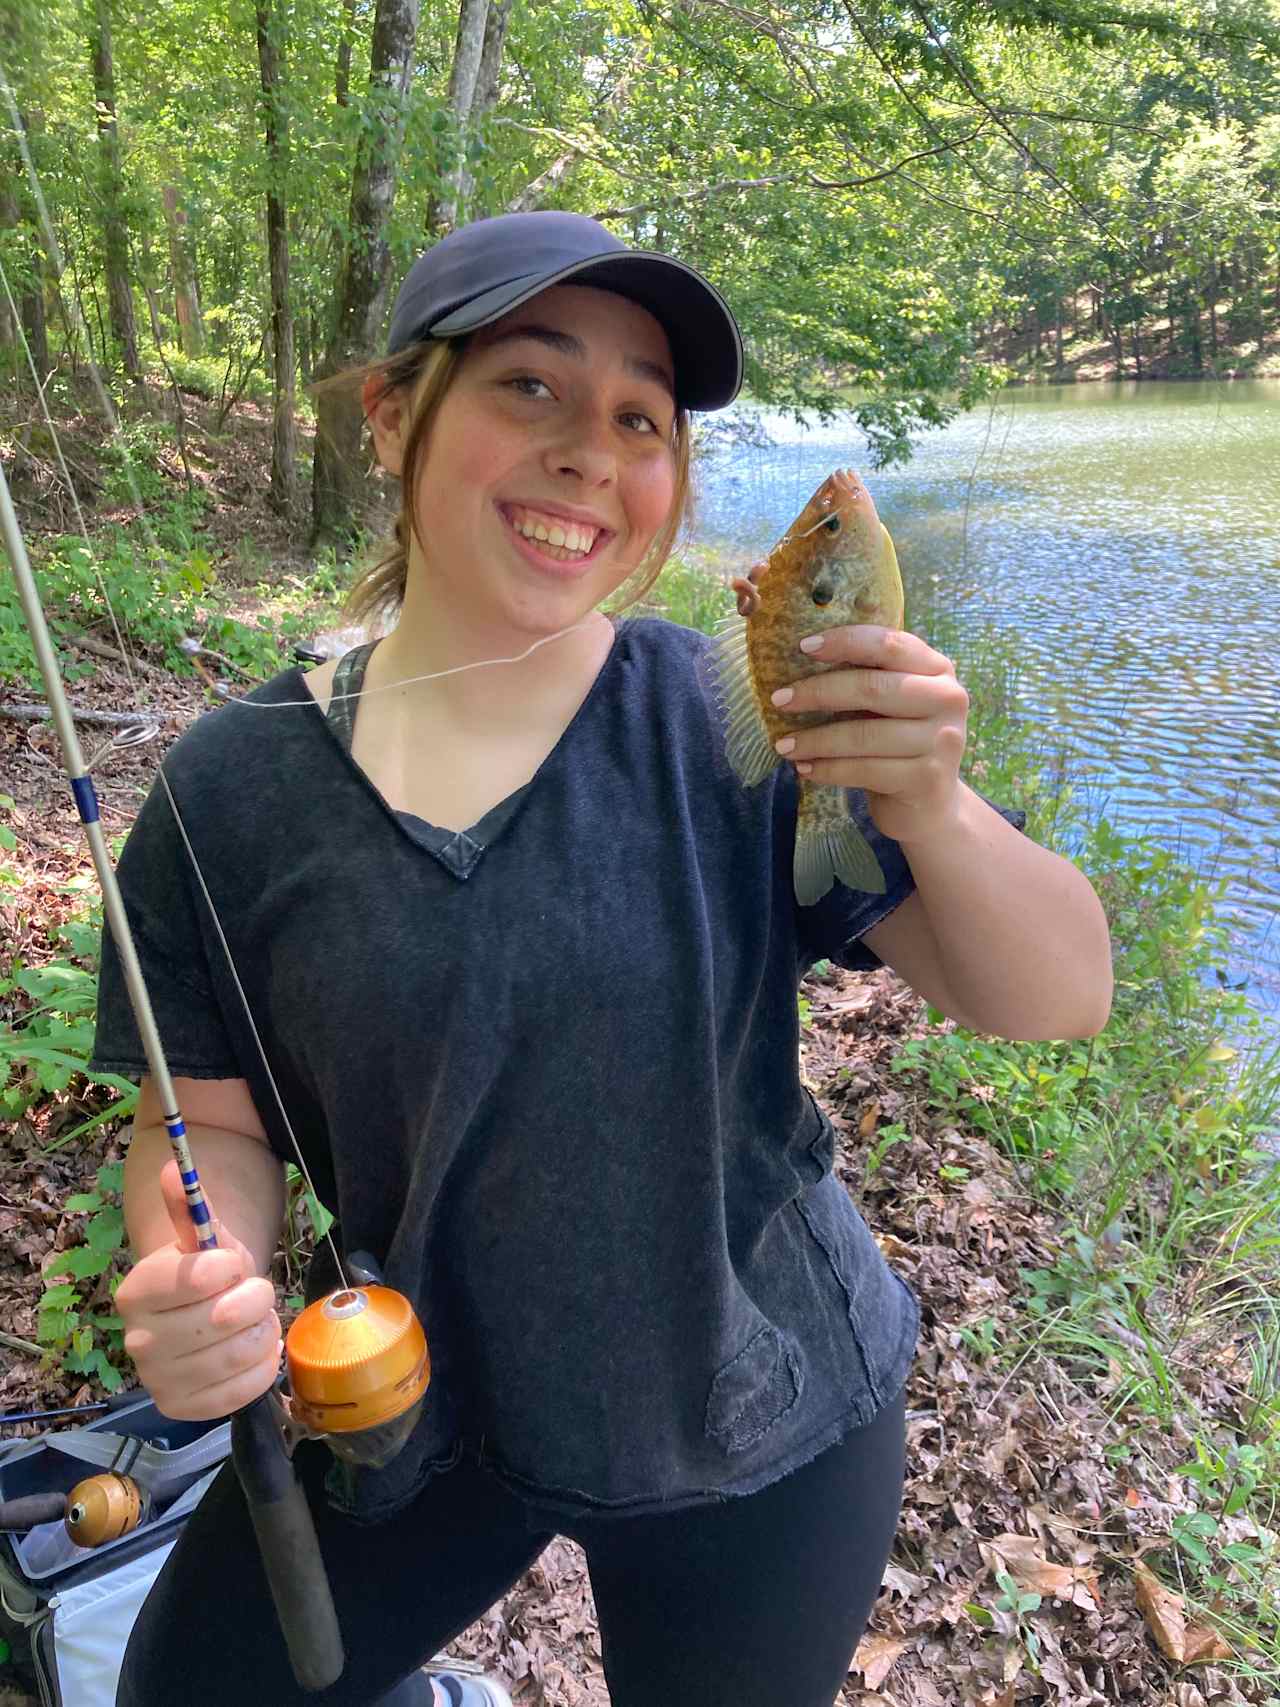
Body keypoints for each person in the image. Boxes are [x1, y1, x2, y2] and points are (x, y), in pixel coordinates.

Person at [90, 210, 1114, 1707]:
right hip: (418, 1398)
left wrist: (935, 802)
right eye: (530, 385)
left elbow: (1058, 993)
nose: (591, 449)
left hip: (754, 1401)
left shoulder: (732, 718)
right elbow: (211, 1125)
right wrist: (206, 1263)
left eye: (642, 416)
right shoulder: (230, 793)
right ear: (392, 417)